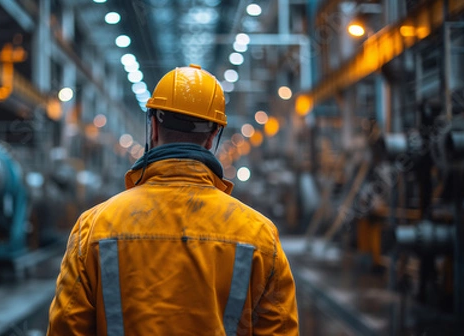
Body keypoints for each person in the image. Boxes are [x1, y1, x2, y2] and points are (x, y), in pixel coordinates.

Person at [47, 64, 298, 336]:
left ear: (153, 126)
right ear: (213, 136)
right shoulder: (259, 236)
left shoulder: (93, 228)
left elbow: (66, 328)